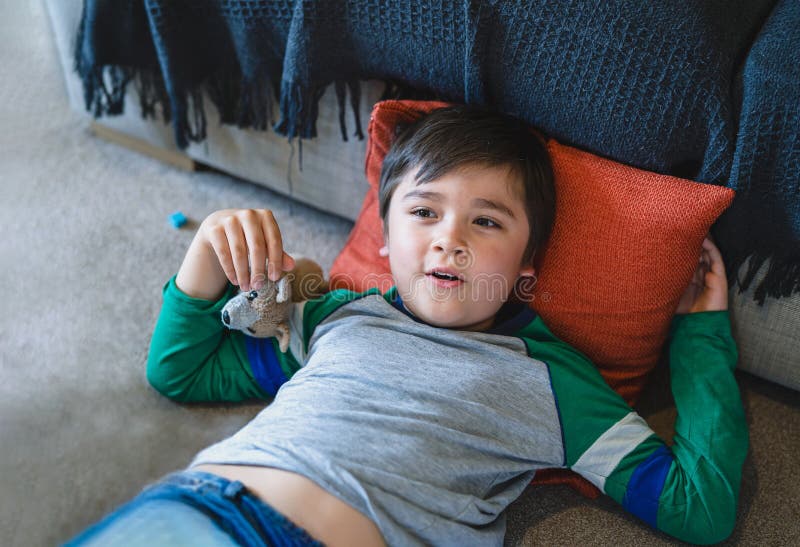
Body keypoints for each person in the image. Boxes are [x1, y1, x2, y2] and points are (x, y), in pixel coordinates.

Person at [66, 106, 747, 546]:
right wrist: (206, 255)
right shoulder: (335, 317)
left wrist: (701, 339)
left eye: (486, 221)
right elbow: (181, 371)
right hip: (191, 507)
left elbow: (698, 506)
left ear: (528, 264)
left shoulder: (553, 383)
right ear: (386, 240)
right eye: (424, 212)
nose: (449, 240)